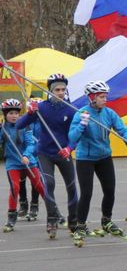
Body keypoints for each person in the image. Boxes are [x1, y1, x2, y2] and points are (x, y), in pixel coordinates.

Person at [67, 81, 127, 243]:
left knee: (110, 190)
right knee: (86, 193)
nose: (105, 99)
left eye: (105, 96)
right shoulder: (81, 113)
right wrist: (82, 125)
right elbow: (72, 138)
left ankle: (106, 221)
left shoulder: (109, 113)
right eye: (101, 97)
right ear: (92, 98)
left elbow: (120, 128)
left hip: (104, 157)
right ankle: (80, 226)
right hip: (85, 158)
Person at [16, 73, 78, 236]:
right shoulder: (41, 107)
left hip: (63, 152)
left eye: (63, 89)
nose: (60, 92)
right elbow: (18, 125)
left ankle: (73, 221)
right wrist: (30, 113)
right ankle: (52, 220)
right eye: (57, 89)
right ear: (50, 91)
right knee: (48, 184)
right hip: (45, 153)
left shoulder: (70, 110)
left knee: (71, 186)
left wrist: (70, 148)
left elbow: (77, 135)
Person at [2, 99, 45, 232]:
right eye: (11, 113)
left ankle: (55, 213)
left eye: (16, 113)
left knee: (40, 186)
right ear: (5, 114)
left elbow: (30, 143)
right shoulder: (2, 128)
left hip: (29, 161)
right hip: (13, 163)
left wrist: (26, 155)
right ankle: (11, 217)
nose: (14, 115)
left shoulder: (25, 126)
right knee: (15, 188)